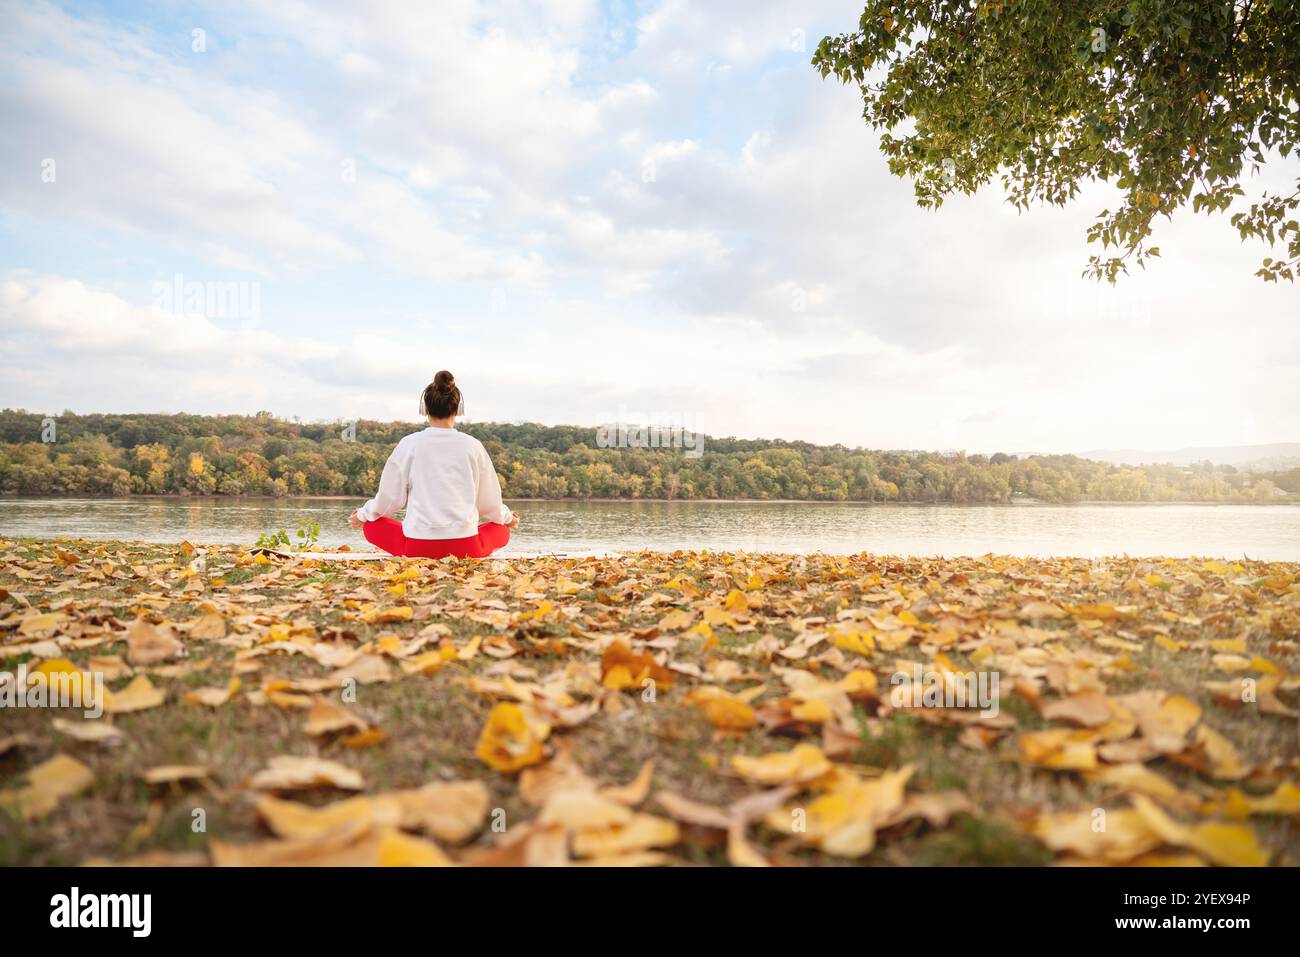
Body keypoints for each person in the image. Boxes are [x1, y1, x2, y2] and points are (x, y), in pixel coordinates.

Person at [348, 370, 519, 558]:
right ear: (458, 410)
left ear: (425, 409)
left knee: (372, 526)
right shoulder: (473, 445)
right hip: (467, 548)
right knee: (502, 529)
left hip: (416, 547)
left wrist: (363, 515)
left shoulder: (409, 443)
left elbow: (390, 500)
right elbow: (489, 504)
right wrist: (508, 518)